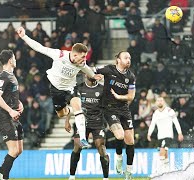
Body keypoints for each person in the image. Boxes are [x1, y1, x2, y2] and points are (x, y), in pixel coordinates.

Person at [17, 27, 101, 149]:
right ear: (74, 54)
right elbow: (39, 48)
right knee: (61, 114)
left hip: (70, 89)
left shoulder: (81, 63)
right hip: (56, 89)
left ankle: (83, 138)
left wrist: (94, 76)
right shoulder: (59, 54)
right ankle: (69, 111)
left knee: (78, 107)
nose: (84, 60)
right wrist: (24, 36)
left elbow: (87, 69)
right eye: (82, 57)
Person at [96, 51, 136, 180]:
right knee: (120, 136)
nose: (128, 60)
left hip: (124, 109)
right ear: (118, 60)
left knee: (130, 141)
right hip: (110, 108)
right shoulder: (109, 70)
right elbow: (92, 70)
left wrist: (119, 96)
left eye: (129, 58)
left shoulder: (131, 76)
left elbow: (131, 96)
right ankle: (119, 157)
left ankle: (129, 171)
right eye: (125, 57)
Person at [65, 75, 109, 180]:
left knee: (101, 147)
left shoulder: (103, 89)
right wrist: (67, 121)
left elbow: (108, 107)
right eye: (90, 73)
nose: (92, 75)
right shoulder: (78, 88)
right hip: (82, 121)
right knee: (77, 145)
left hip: (97, 122)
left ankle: (106, 178)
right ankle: (72, 176)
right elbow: (71, 105)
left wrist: (111, 122)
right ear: (85, 75)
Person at [0, 50, 24, 180]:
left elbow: (9, 95)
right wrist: (10, 111)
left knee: (19, 150)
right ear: (10, 60)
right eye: (14, 58)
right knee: (13, 150)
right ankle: (1, 176)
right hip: (5, 117)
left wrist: (19, 103)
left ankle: (1, 174)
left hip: (14, 118)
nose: (15, 60)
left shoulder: (11, 75)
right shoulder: (4, 76)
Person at [147, 97, 184, 176]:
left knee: (161, 152)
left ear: (164, 102)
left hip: (168, 135)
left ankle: (159, 172)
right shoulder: (156, 113)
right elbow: (152, 124)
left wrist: (180, 133)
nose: (159, 102)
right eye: (158, 101)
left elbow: (176, 122)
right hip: (160, 136)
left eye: (161, 101)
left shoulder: (170, 111)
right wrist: (149, 134)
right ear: (156, 103)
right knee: (165, 153)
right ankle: (167, 171)